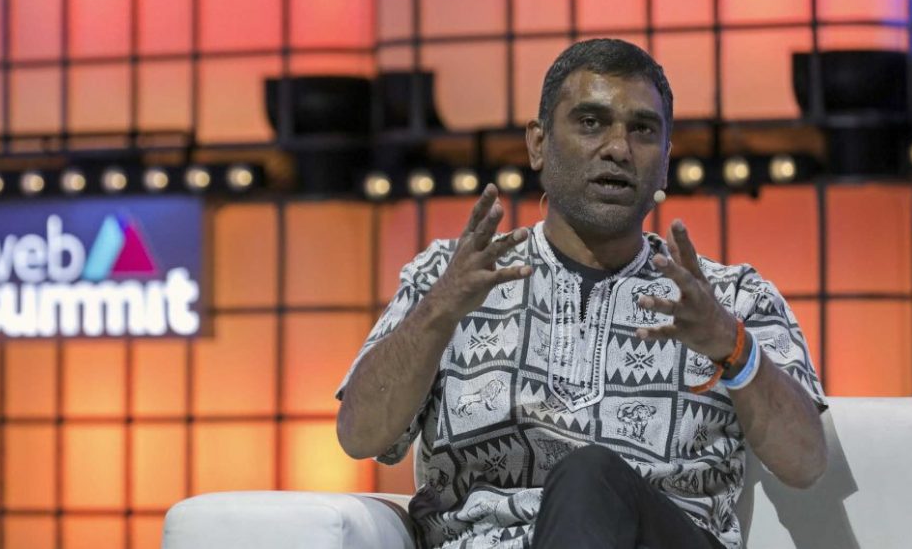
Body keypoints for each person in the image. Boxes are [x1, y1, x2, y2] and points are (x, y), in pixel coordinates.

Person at [336, 38, 828, 549]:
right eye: (591, 122)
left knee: (590, 478)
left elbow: (806, 462)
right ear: (538, 144)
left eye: (642, 129)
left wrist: (732, 346)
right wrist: (439, 311)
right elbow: (360, 435)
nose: (618, 148)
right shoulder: (452, 278)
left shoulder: (731, 299)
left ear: (665, 160)